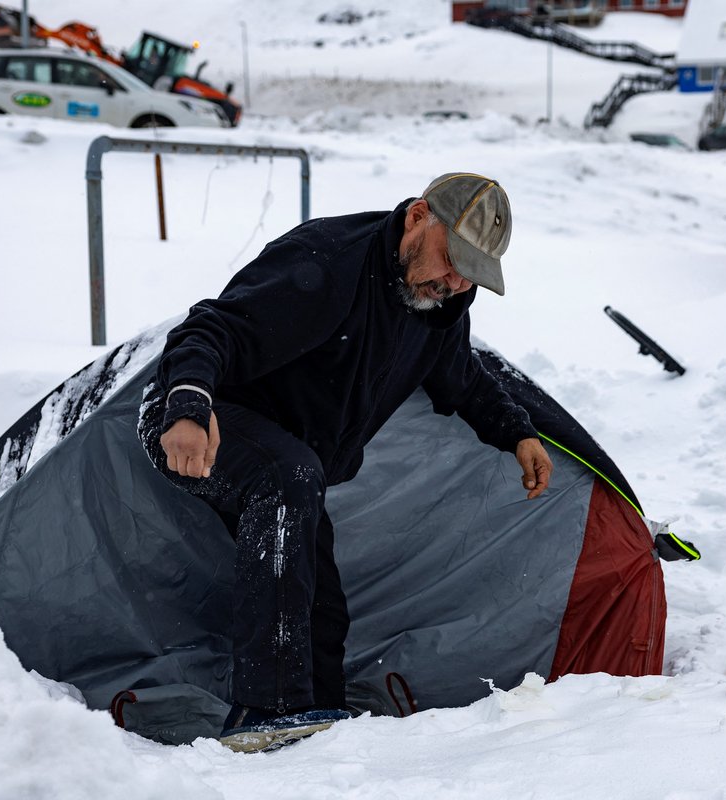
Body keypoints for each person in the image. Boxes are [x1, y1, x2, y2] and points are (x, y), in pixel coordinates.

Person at [137, 172, 553, 752]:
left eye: (472, 274)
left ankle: (319, 731)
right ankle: (266, 714)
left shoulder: (438, 302)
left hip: (288, 454)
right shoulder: (326, 264)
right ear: (416, 218)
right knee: (288, 477)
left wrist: (518, 434)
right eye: (452, 260)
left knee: (321, 604)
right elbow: (212, 328)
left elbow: (461, 378)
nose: (456, 282)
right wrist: (186, 405)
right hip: (200, 412)